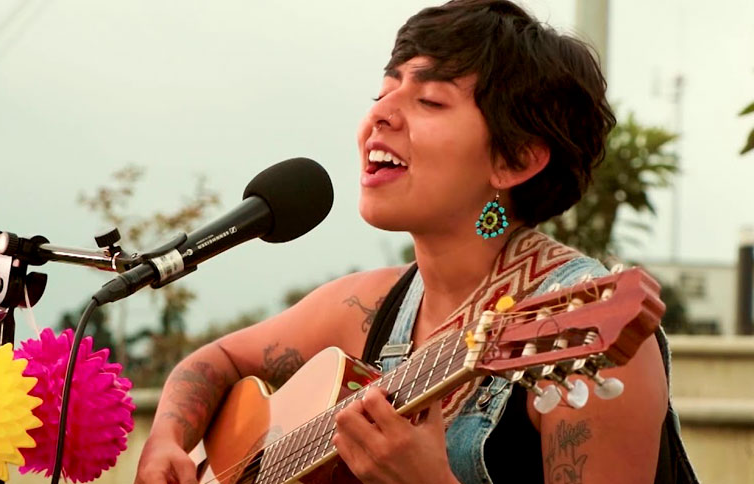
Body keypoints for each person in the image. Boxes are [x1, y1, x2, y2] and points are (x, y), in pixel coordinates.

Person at [135, 1, 699, 483]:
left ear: (515, 159)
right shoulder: (370, 308)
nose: (380, 115)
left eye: (429, 101)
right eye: (382, 93)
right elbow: (218, 360)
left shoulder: (593, 339)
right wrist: (166, 441)